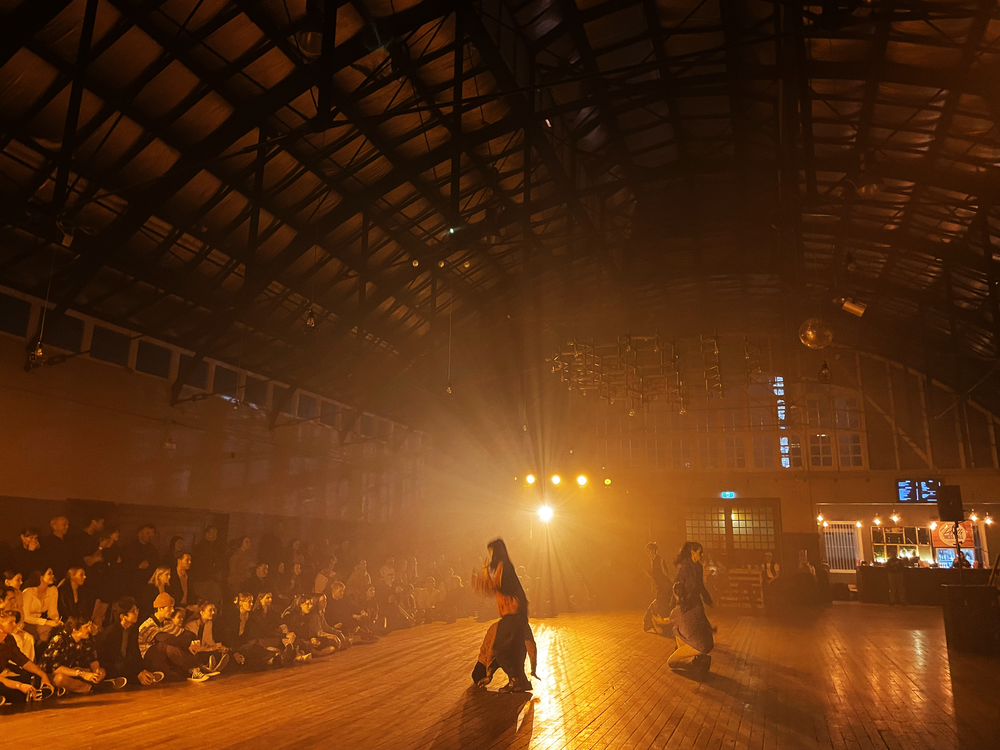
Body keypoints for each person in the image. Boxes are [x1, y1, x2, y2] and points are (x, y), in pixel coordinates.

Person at [472, 538, 531, 693]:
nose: (491, 555)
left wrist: (484, 578)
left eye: (492, 552)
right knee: (515, 648)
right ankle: (521, 681)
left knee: (499, 648)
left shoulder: (504, 566)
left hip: (513, 615)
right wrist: (484, 581)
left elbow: (500, 587)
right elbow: (497, 588)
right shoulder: (504, 567)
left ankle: (515, 679)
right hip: (515, 615)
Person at [138, 593, 215, 682]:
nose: (172, 610)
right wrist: (187, 644)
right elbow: (165, 638)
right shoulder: (147, 625)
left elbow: (185, 633)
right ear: (160, 608)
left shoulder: (166, 623)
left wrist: (194, 641)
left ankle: (197, 668)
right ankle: (192, 670)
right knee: (169, 644)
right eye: (169, 608)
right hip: (149, 660)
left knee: (178, 641)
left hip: (164, 659)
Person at [39, 616, 126, 693]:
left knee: (102, 671)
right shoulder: (59, 640)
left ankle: (91, 684)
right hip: (53, 674)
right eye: (86, 627)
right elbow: (56, 668)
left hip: (75, 670)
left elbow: (92, 659)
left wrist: (96, 671)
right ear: (75, 631)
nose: (89, 629)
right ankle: (93, 688)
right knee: (59, 679)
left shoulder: (87, 638)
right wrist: (82, 674)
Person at [668, 541, 715, 674]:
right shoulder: (685, 568)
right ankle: (685, 656)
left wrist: (708, 600)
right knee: (682, 630)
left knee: (697, 631)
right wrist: (677, 601)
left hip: (696, 605)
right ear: (692, 553)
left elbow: (700, 586)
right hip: (685, 605)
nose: (702, 555)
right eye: (700, 552)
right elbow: (676, 585)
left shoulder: (698, 567)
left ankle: (694, 657)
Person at [94, 596, 164, 686]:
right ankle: (110, 682)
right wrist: (137, 672)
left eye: (137, 610)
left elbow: (135, 652)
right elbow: (114, 658)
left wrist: (142, 669)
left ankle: (146, 676)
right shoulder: (111, 632)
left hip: (124, 663)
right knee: (118, 668)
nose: (137, 612)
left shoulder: (133, 630)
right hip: (111, 664)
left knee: (144, 663)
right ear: (123, 616)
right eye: (133, 611)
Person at [0, 608, 56, 704]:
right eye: (11, 622)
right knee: (12, 689)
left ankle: (35, 691)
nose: (15, 625)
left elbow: (22, 660)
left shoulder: (9, 639)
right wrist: (18, 685)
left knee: (29, 677)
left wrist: (43, 675)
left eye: (15, 622)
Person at [22, 567, 61, 643]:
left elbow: (52, 612)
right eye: (49, 573)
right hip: (27, 623)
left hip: (40, 622)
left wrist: (56, 619)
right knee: (46, 630)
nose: (52, 576)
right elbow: (25, 616)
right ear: (40, 576)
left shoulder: (53, 590)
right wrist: (46, 622)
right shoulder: (28, 592)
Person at [643, 542, 672, 635]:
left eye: (649, 551)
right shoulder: (652, 561)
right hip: (660, 586)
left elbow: (665, 574)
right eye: (647, 551)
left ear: (653, 550)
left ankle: (650, 625)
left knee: (660, 605)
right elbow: (654, 576)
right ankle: (654, 625)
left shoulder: (659, 560)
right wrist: (648, 574)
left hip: (665, 586)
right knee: (660, 605)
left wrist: (662, 566)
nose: (648, 553)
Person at [40, 516, 73, 583]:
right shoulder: (46, 542)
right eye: (64, 524)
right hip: (54, 578)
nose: (67, 527)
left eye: (67, 524)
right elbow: (45, 559)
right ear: (54, 526)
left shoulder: (69, 541)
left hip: (68, 577)